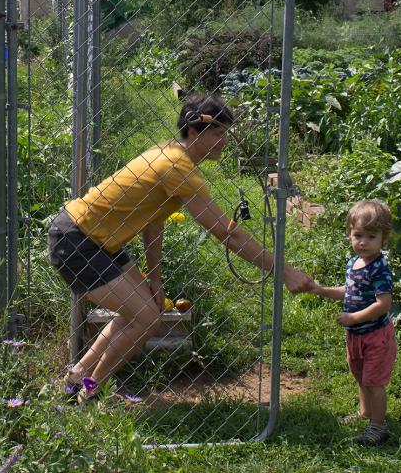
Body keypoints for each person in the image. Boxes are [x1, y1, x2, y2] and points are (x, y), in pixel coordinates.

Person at [48, 93, 315, 402]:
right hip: (77, 240)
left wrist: (155, 280)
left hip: (93, 238)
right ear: (193, 132)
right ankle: (90, 394)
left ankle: (73, 381)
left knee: (145, 309)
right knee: (146, 317)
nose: (224, 141)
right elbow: (228, 235)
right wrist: (284, 271)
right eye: (218, 133)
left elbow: (154, 219)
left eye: (225, 133)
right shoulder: (178, 168)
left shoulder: (168, 155)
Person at [311, 200, 396, 446]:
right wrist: (321, 290)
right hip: (356, 335)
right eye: (358, 235)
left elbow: (384, 304)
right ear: (349, 233)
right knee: (361, 376)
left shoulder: (380, 269)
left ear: (384, 239)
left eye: (371, 236)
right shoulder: (354, 263)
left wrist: (353, 318)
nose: (363, 242)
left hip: (375, 334)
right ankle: (365, 413)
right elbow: (349, 291)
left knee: (374, 382)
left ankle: (379, 426)